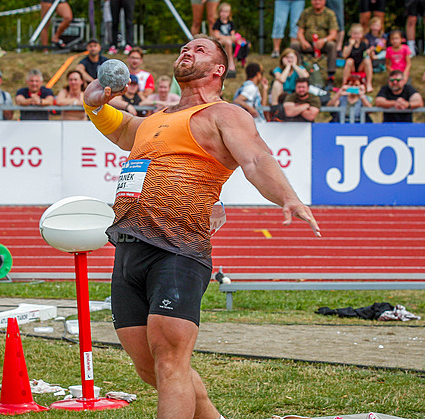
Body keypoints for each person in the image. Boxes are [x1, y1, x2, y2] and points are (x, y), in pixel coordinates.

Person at [82, 34, 321, 419]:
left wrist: (287, 196)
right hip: (128, 247)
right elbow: (125, 129)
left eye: (199, 49)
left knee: (170, 359)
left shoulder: (224, 114)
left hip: (177, 250)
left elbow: (257, 160)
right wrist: (94, 106)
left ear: (218, 69)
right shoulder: (157, 119)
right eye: (183, 48)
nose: (186, 52)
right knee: (149, 367)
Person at [293, 0, 339, 89]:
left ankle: (330, 77)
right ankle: (298, 73)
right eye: (314, 0)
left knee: (332, 45)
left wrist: (324, 40)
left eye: (320, 0)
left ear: (324, 1)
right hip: (308, 44)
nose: (317, 2)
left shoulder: (330, 13)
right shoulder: (306, 13)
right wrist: (303, 41)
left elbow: (333, 34)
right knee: (294, 45)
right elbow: (300, 32)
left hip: (323, 44)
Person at [341, 23, 373, 93]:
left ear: (361, 34)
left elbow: (368, 56)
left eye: (358, 34)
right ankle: (344, 83)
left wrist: (369, 52)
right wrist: (351, 45)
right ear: (351, 34)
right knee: (349, 60)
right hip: (351, 66)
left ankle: (369, 83)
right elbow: (344, 55)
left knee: (367, 60)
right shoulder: (347, 44)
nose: (356, 36)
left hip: (360, 66)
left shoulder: (364, 44)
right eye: (354, 34)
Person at [211, 2, 237, 78]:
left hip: (228, 42)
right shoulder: (217, 23)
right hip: (220, 41)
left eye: (226, 12)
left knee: (229, 43)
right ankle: (229, 61)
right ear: (219, 12)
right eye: (222, 11)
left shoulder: (231, 23)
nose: (224, 14)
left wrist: (228, 38)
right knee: (227, 42)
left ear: (229, 13)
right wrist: (227, 38)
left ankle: (230, 60)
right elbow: (216, 35)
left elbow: (233, 36)